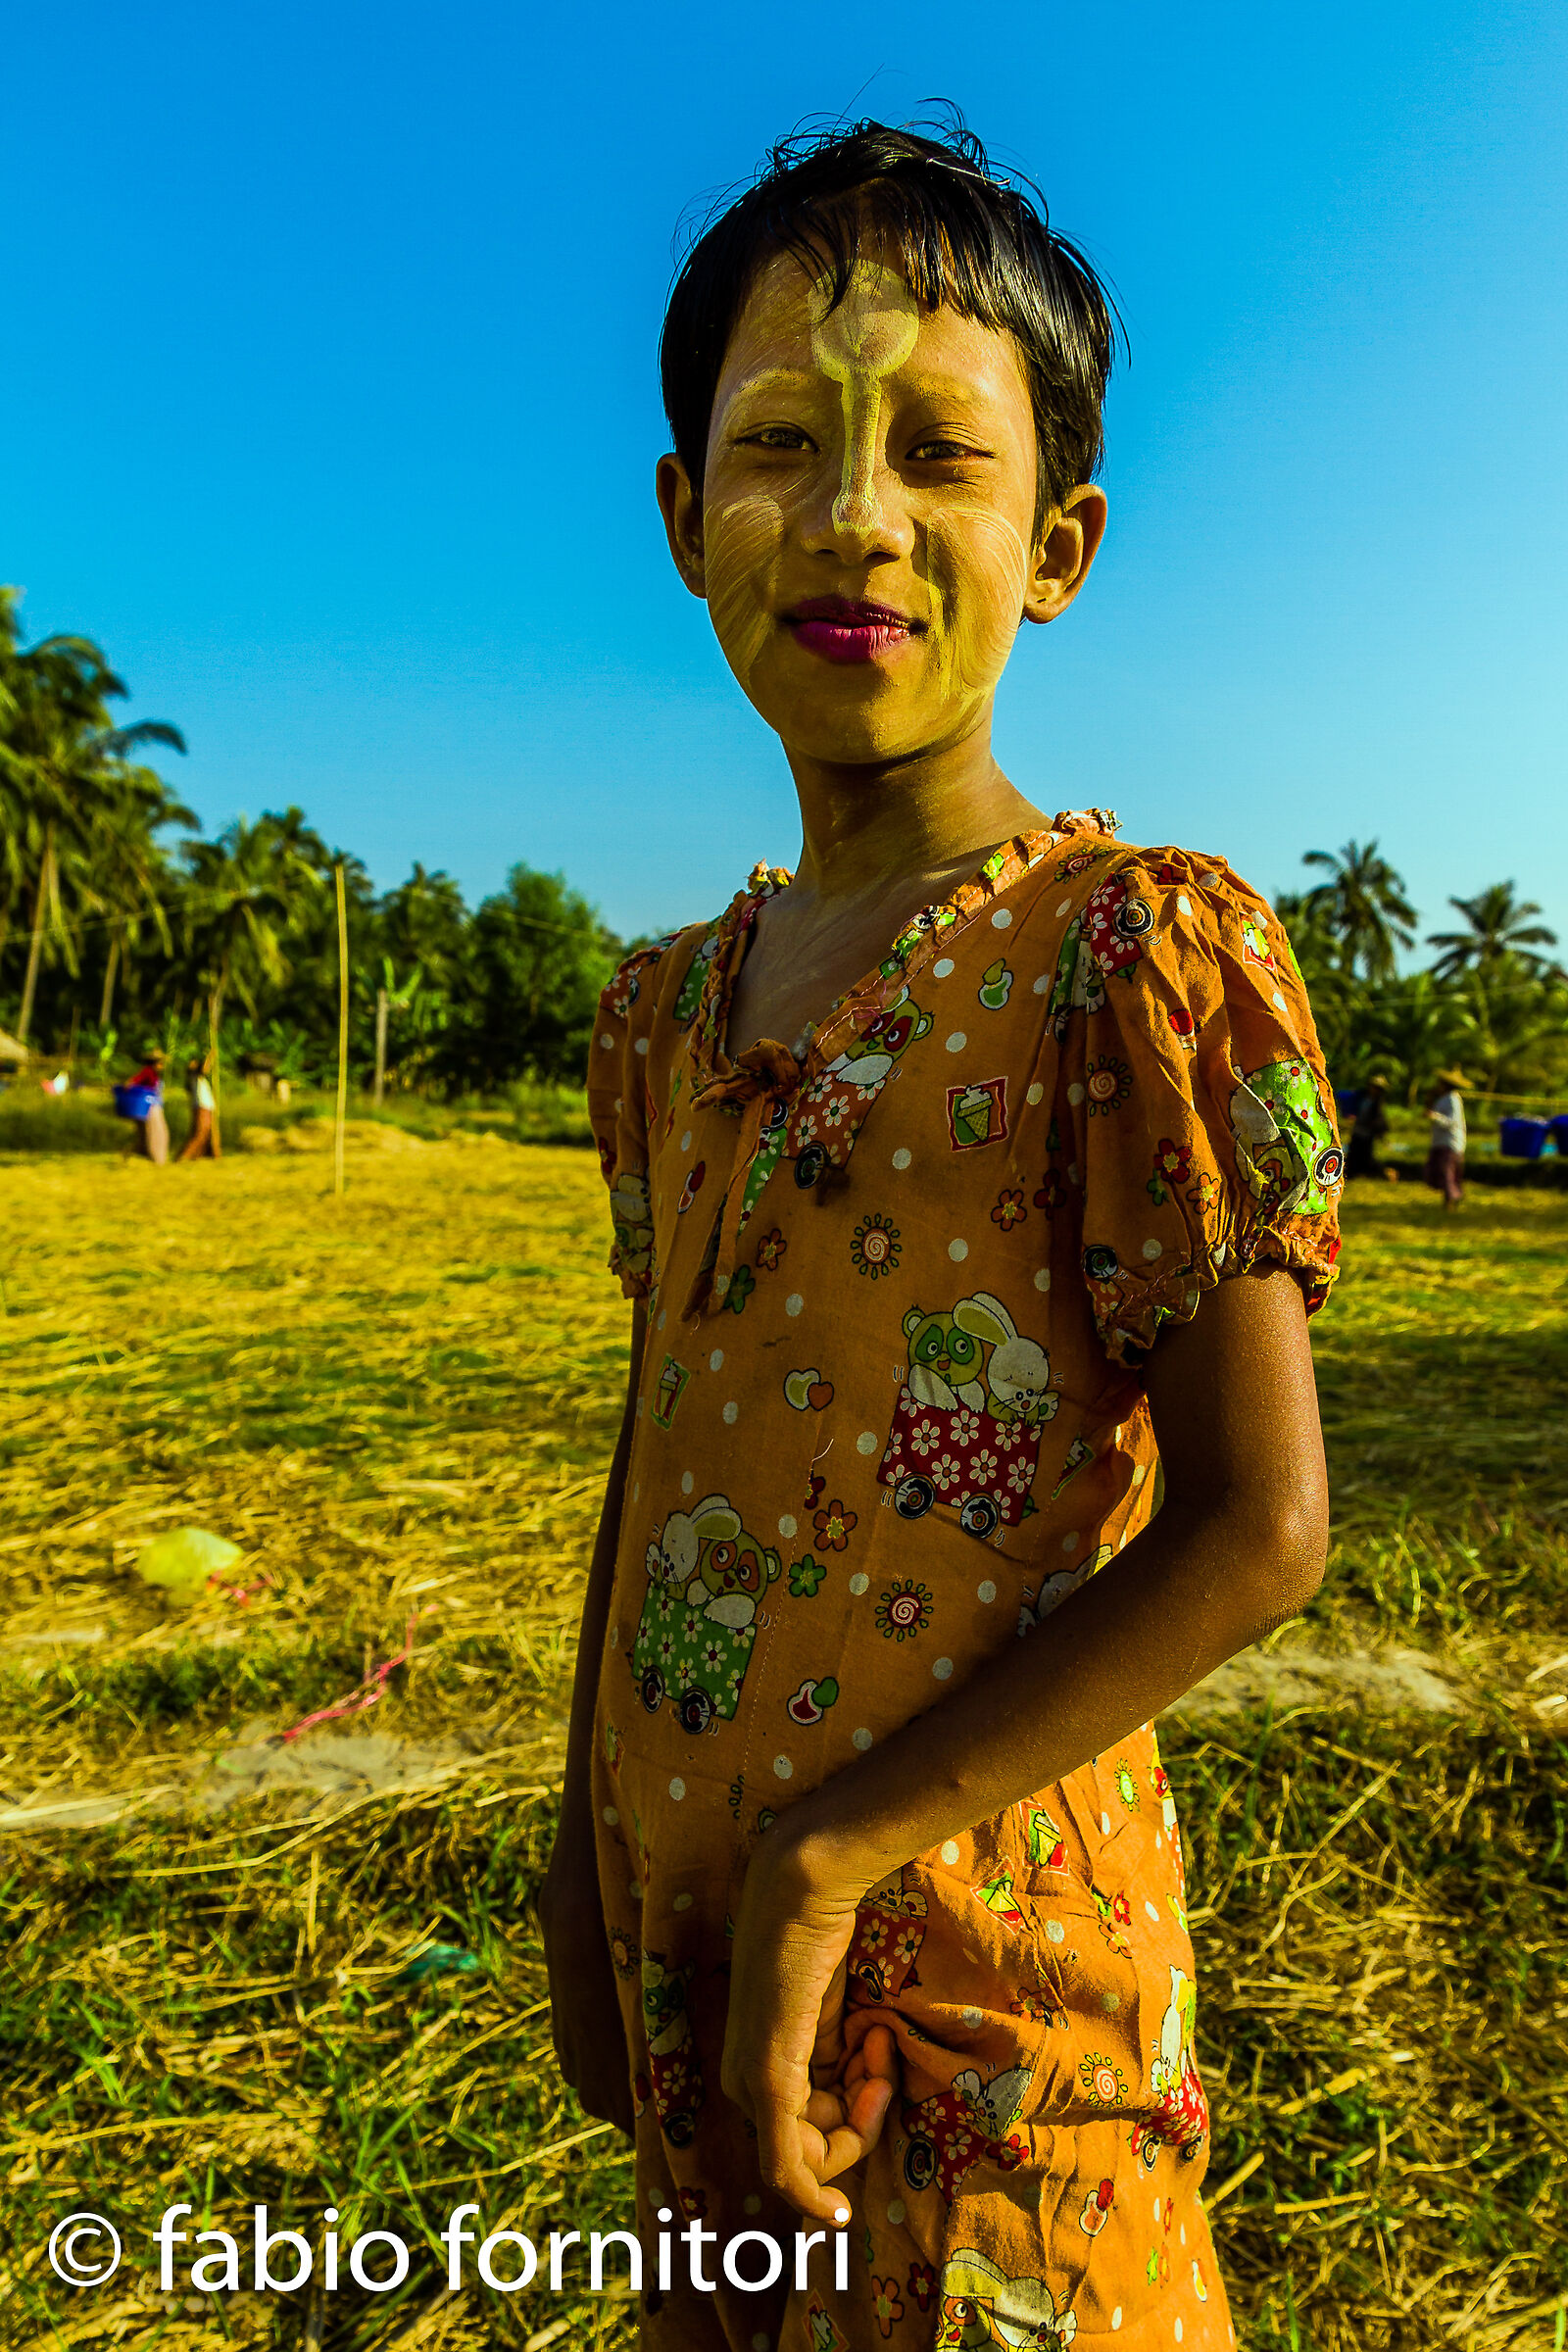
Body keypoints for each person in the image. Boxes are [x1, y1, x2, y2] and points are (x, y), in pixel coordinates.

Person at [540, 119, 1341, 2352]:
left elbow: (1258, 1522)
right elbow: (655, 1441)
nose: (854, 514)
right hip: (710, 2007)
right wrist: (578, 1859)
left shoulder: (1130, 956)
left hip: (1004, 2038)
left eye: (933, 453)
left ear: (1054, 540)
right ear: (685, 518)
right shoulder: (662, 1015)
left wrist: (827, 1856)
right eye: (780, 440)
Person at [1425, 1069, 1467, 1207]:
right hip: (1441, 1141)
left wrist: (1434, 1117)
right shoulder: (1444, 1099)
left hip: (1450, 1141)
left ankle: (1451, 1200)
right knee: (1443, 1171)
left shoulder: (1452, 1099)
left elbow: (1452, 1121)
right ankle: (1452, 1197)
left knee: (1447, 1172)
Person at [125, 1049, 169, 1164]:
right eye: (160, 1063)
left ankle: (153, 1157)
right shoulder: (147, 1072)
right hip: (149, 1107)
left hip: (155, 1106)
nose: (162, 1065)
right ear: (154, 1063)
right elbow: (131, 1082)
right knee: (155, 1133)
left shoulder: (154, 1074)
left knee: (155, 1132)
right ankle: (157, 1159)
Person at [177, 1053, 220, 1160]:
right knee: (201, 1132)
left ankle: (203, 1154)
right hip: (202, 1106)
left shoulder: (198, 1078)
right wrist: (210, 1057)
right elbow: (204, 1069)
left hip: (205, 1106)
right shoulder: (194, 1076)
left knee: (206, 1132)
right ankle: (186, 1156)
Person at [1347, 1073, 1390, 1179]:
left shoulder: (1378, 1103)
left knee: (1367, 1157)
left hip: (1367, 1133)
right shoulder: (1361, 1096)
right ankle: (1351, 1175)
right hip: (1357, 1130)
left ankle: (1386, 1173)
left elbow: (1378, 1119)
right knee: (1353, 1154)